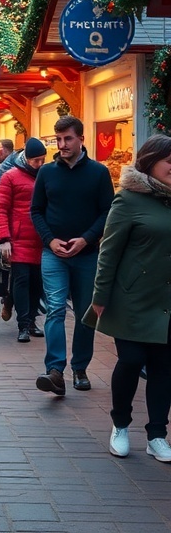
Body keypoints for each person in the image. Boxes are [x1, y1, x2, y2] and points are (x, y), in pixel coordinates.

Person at [86, 135, 171, 462]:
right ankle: (120, 425)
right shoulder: (129, 200)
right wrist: (100, 295)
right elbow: (109, 252)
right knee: (132, 360)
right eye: (169, 162)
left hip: (166, 300)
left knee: (164, 367)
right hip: (132, 299)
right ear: (150, 161)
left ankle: (157, 435)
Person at [31, 115, 114, 396]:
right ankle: (55, 370)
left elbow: (107, 212)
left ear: (81, 139)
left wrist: (87, 238)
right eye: (58, 139)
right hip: (53, 253)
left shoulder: (99, 173)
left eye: (68, 138)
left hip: (87, 254)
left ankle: (80, 367)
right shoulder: (46, 172)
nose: (62, 144)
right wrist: (50, 239)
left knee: (84, 313)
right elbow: (36, 210)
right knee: (54, 308)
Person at [0, 137, 46, 342]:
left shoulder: (46, 175)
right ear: (26, 158)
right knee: (22, 280)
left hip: (42, 239)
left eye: (42, 160)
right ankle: (23, 324)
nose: (39, 164)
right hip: (18, 239)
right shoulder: (10, 177)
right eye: (36, 160)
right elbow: (0, 208)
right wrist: (4, 238)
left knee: (37, 282)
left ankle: (32, 320)